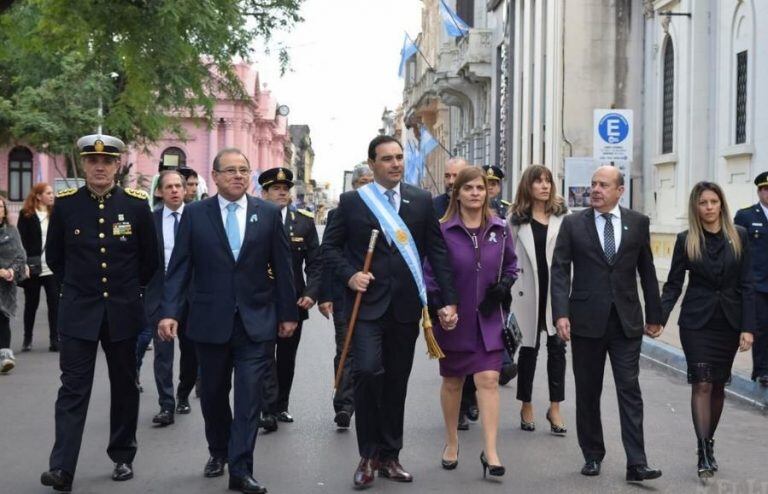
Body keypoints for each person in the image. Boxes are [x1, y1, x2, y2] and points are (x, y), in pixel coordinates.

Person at [158, 148, 297, 494]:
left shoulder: (267, 214)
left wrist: (288, 314)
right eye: (230, 170)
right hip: (209, 321)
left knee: (249, 398)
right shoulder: (195, 214)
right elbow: (179, 268)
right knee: (215, 395)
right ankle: (218, 450)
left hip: (256, 321)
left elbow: (283, 268)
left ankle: (241, 468)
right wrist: (170, 312)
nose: (238, 176)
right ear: (215, 176)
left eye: (243, 170)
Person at [322, 135, 458, 488]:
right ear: (372, 164)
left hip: (404, 307)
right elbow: (329, 249)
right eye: (387, 159)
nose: (396, 164)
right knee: (367, 373)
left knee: (396, 382)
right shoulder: (353, 202)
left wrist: (447, 300)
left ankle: (390, 456)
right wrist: (350, 275)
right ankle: (367, 454)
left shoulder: (421, 200)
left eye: (399, 158)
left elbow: (437, 253)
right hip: (366, 307)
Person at [40, 134, 158, 492]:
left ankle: (123, 455)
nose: (100, 167)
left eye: (107, 161)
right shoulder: (66, 206)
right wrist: (78, 289)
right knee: (73, 389)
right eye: (93, 161)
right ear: (84, 165)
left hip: (123, 312)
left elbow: (149, 262)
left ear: (118, 164)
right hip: (78, 312)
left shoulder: (137, 206)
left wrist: (125, 293)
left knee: (125, 386)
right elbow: (55, 258)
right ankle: (62, 468)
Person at [550, 165, 664, 482]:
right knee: (588, 391)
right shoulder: (574, 225)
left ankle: (637, 463)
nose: (596, 190)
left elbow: (648, 270)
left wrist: (655, 315)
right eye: (593, 184)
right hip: (585, 322)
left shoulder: (637, 223)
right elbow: (559, 271)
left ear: (619, 190)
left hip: (626, 322)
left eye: (603, 185)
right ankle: (592, 454)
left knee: (630, 389)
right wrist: (561, 313)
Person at [424, 167, 517, 478]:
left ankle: (490, 451)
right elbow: (430, 273)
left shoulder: (501, 229)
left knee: (489, 380)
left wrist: (503, 286)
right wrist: (440, 306)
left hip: (489, 319)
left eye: (480, 188)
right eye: (469, 188)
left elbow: (511, 265)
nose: (476, 193)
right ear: (458, 193)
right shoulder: (442, 230)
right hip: (454, 319)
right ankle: (451, 442)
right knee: (453, 382)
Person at [661, 182, 755, 478]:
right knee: (701, 383)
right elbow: (673, 284)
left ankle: (709, 442)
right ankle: (702, 452)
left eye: (714, 201)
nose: (710, 207)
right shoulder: (686, 239)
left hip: (729, 321)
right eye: (704, 202)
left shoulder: (738, 236)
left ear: (721, 205)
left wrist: (748, 328)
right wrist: (658, 318)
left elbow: (748, 284)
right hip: (696, 322)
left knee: (717, 386)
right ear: (696, 207)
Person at [258, 166, 322, 429]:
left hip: (294, 301)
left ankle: (281, 405)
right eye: (276, 189)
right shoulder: (255, 217)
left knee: (286, 357)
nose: (282, 193)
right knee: (263, 356)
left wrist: (311, 293)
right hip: (261, 300)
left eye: (285, 190)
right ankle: (267, 408)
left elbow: (316, 263)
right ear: (265, 193)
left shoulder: (304, 221)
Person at [509, 165, 569, 435]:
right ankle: (527, 404)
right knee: (529, 350)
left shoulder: (564, 216)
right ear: (528, 186)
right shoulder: (515, 219)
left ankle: (555, 407)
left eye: (548, 181)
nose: (544, 186)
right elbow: (507, 258)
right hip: (526, 290)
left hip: (556, 290)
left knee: (557, 348)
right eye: (538, 182)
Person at [318, 164, 374, 429]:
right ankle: (344, 405)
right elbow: (329, 254)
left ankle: (367, 402)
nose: (366, 185)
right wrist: (325, 295)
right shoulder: (339, 212)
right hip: (345, 292)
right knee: (346, 348)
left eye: (370, 181)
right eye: (362, 181)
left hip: (377, 294)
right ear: (354, 186)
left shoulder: (387, 213)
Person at [143, 170, 198, 427]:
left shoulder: (199, 217)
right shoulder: (150, 220)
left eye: (179, 186)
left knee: (190, 351)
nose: (175, 190)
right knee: (162, 352)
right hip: (161, 295)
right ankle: (166, 404)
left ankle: (183, 393)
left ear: (186, 190)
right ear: (159, 192)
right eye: (169, 187)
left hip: (192, 295)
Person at [734, 171, 768, 386]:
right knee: (762, 328)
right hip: (758, 284)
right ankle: (763, 371)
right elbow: (737, 251)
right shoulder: (746, 216)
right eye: (766, 189)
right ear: (759, 191)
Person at [17, 183, 59, 352]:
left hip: (52, 268)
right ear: (38, 196)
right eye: (48, 193)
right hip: (33, 267)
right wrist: (24, 263)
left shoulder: (55, 214)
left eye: (52, 193)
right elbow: (21, 241)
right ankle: (27, 338)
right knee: (31, 304)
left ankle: (54, 340)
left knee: (54, 304)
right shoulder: (26, 214)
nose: (52, 195)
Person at [0, 195, 27, 374]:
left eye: (1, 207)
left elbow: (20, 256)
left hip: (4, 286)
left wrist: (10, 272)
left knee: (2, 318)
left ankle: (5, 357)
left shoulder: (11, 232)